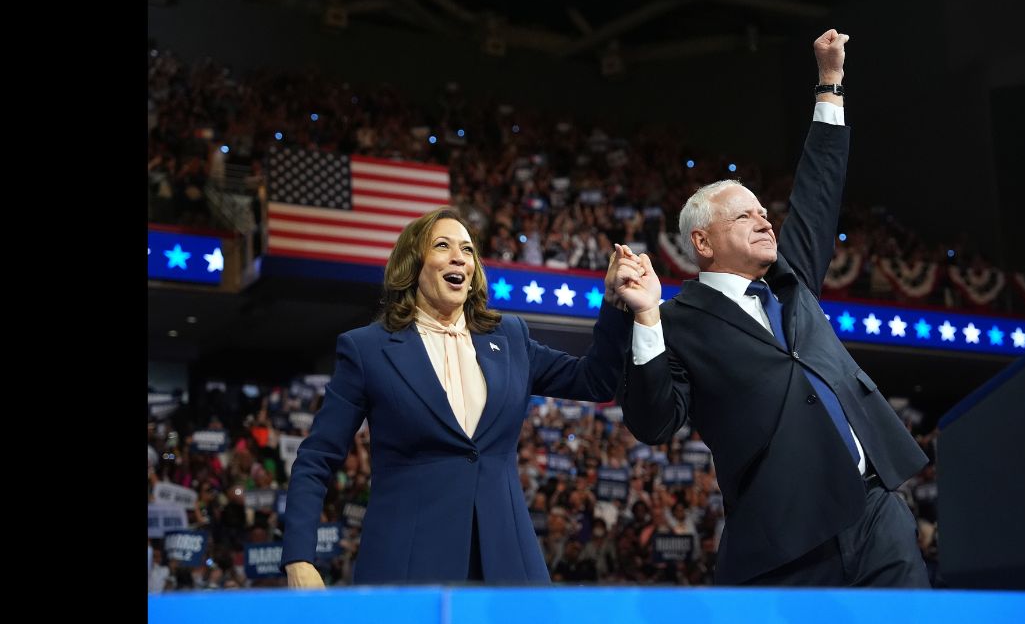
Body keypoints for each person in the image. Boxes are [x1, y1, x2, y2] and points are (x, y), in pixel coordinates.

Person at [613, 29, 930, 587]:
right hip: (785, 536)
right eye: (744, 216)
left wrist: (828, 85)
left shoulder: (791, 279)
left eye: (764, 212)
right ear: (703, 243)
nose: (764, 221)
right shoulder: (678, 321)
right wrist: (644, 318)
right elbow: (654, 420)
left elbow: (818, 192)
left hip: (879, 512)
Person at [282, 207, 653, 586]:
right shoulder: (367, 349)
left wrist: (615, 305)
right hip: (409, 562)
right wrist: (299, 557)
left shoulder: (509, 337)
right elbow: (316, 458)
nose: (459, 256)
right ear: (412, 264)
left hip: (508, 561)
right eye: (442, 245)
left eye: (468, 249)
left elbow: (595, 381)